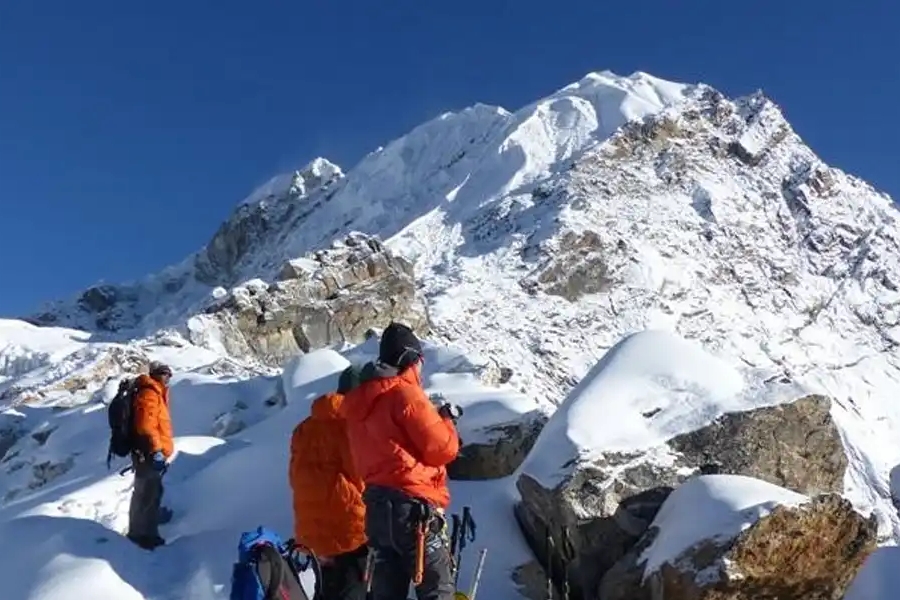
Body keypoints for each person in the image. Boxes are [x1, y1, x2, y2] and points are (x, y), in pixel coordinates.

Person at [340, 322, 463, 600]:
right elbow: (442, 450)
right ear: (410, 359)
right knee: (437, 591)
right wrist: (446, 419)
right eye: (420, 361)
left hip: (377, 511)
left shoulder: (360, 405)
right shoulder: (406, 395)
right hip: (413, 512)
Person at [289, 382, 368, 600]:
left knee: (325, 589)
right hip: (348, 528)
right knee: (352, 588)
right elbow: (361, 475)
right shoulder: (349, 425)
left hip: (311, 530)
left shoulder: (303, 429)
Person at [127, 361, 174, 550]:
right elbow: (146, 425)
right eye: (164, 373)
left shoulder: (154, 392)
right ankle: (142, 535)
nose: (167, 377)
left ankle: (146, 528)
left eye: (169, 374)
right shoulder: (150, 393)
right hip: (147, 452)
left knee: (152, 491)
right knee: (147, 493)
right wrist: (156, 450)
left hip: (149, 452)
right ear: (155, 374)